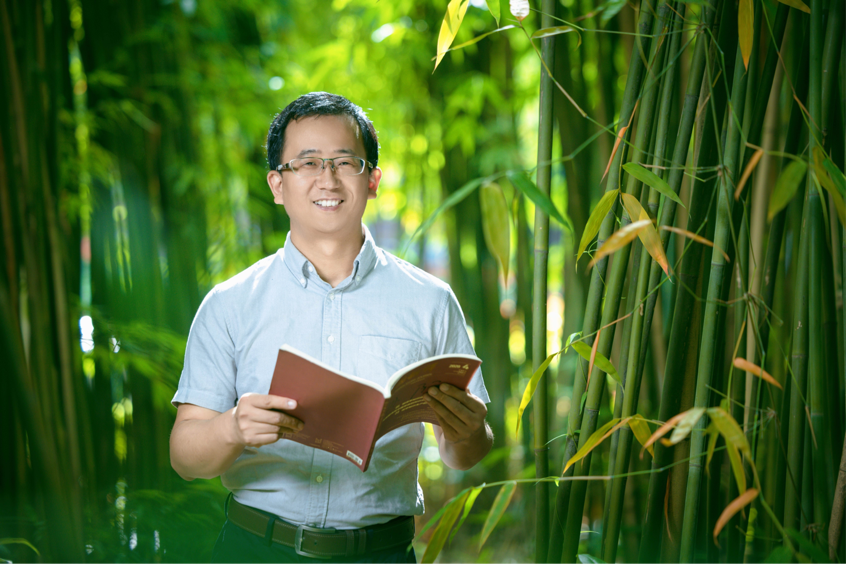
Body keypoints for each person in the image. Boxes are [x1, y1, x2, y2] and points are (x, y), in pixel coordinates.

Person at [169, 92, 493, 563]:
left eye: (345, 162)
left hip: (381, 554)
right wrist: (232, 428)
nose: (328, 178)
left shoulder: (430, 301)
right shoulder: (230, 303)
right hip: (255, 549)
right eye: (307, 163)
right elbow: (184, 457)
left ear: (372, 180)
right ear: (277, 184)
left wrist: (467, 431)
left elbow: (464, 454)